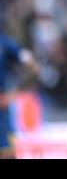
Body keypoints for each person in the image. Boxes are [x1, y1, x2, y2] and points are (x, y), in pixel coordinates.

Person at [0, 29, 40, 159]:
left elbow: (33, 67)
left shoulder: (5, 43)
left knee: (7, 152)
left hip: (2, 111)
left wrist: (14, 93)